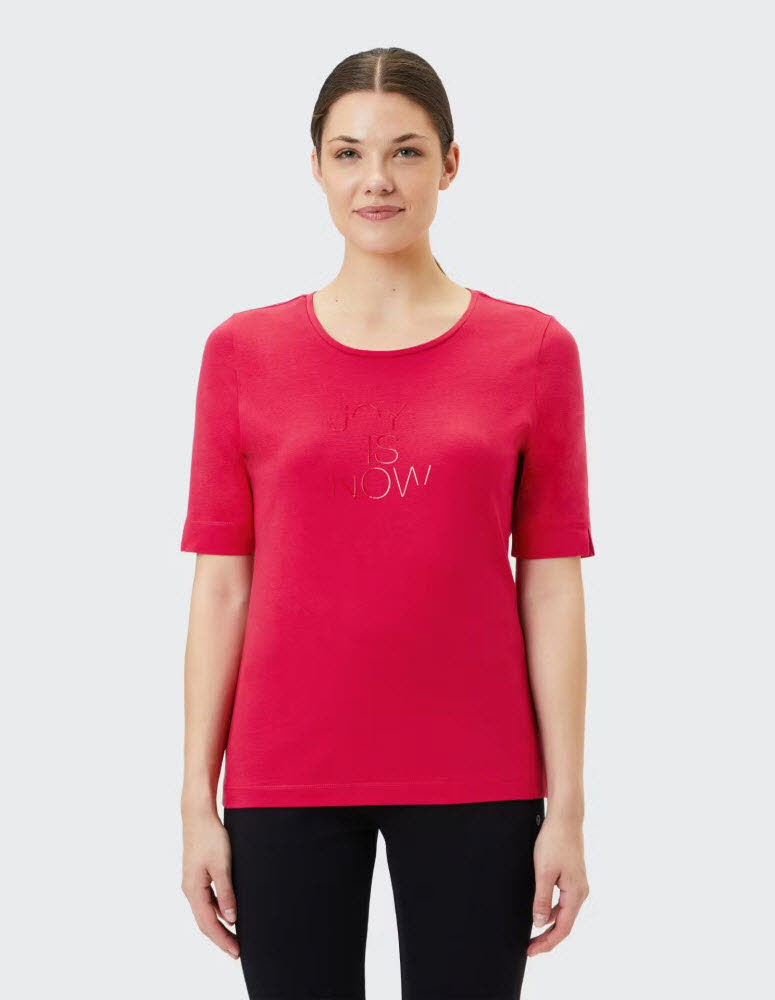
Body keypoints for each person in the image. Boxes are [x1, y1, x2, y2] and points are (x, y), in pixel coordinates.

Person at [179, 46, 594, 1000]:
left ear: (450, 164)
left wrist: (567, 808)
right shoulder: (242, 353)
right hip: (285, 771)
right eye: (349, 153)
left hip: (479, 771)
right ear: (315, 168)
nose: (377, 179)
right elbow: (222, 585)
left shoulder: (533, 351)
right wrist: (196, 801)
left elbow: (552, 584)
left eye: (406, 151)